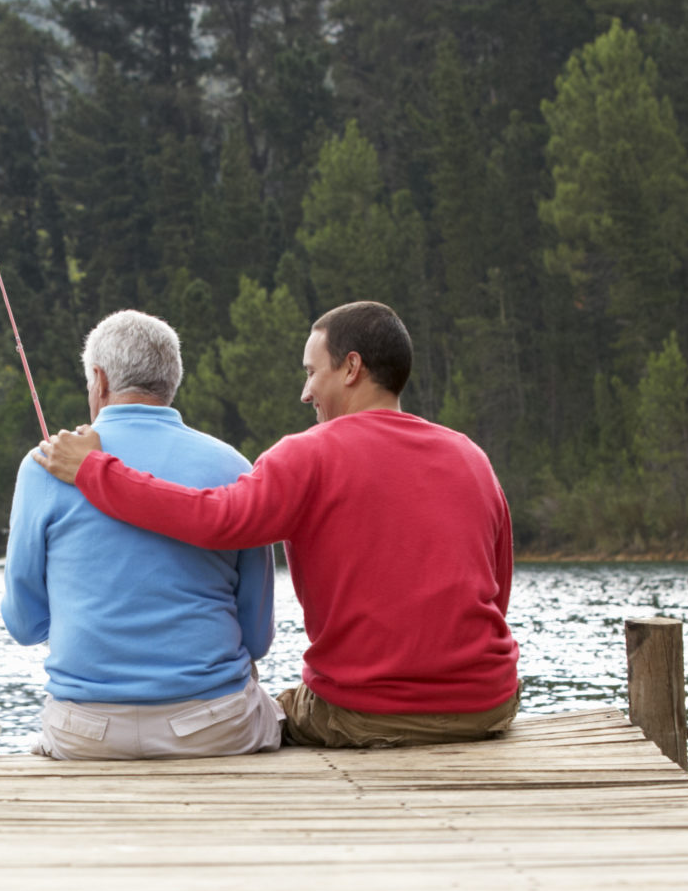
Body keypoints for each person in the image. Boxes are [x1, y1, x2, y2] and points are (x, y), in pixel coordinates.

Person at [36, 300, 517, 748]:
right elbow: (498, 591)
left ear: (351, 368)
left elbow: (217, 519)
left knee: (270, 711)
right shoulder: (469, 455)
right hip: (488, 706)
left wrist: (94, 471)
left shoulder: (311, 454)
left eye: (312, 372)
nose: (305, 392)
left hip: (365, 713)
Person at [2, 308, 281, 759]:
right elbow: (258, 637)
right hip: (213, 728)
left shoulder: (44, 466)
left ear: (100, 380)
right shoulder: (233, 466)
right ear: (172, 382)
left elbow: (24, 624)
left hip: (86, 732)